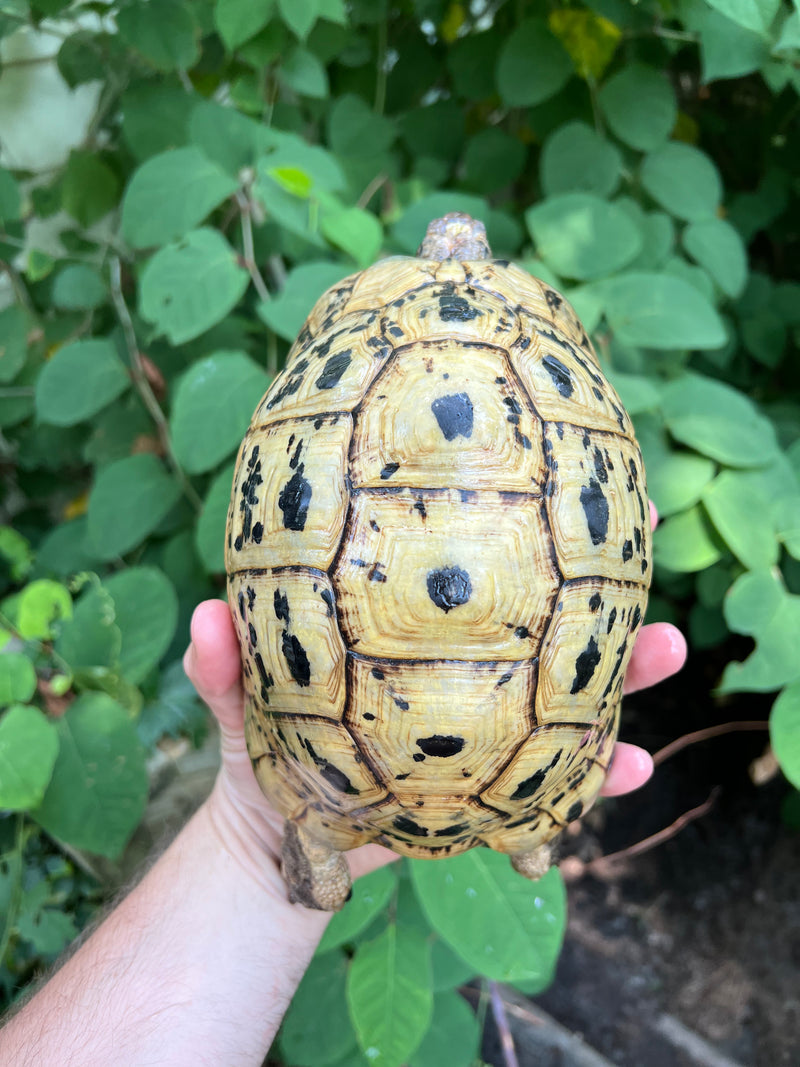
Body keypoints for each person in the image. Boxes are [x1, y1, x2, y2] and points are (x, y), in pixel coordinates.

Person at [0, 598, 686, 1065]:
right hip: (511, 761)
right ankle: (528, 819)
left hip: (338, 769)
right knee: (532, 825)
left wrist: (288, 818)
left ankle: (521, 819)